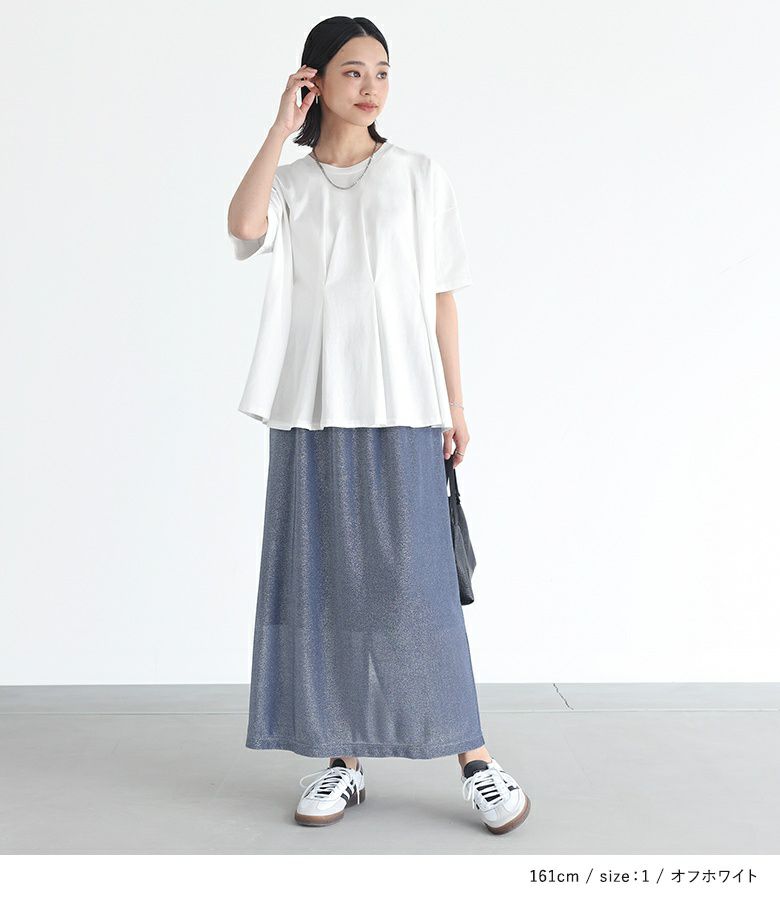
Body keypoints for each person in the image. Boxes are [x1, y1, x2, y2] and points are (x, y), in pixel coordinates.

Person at [227, 16, 530, 835]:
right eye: (353, 71)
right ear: (314, 81)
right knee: (326, 584)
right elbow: (244, 227)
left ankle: (474, 757)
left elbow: (442, 297)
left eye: (383, 72)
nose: (371, 87)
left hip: (403, 404)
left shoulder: (419, 175)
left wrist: (456, 405)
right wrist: (278, 130)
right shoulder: (290, 184)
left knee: (416, 585)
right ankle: (343, 759)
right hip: (313, 407)